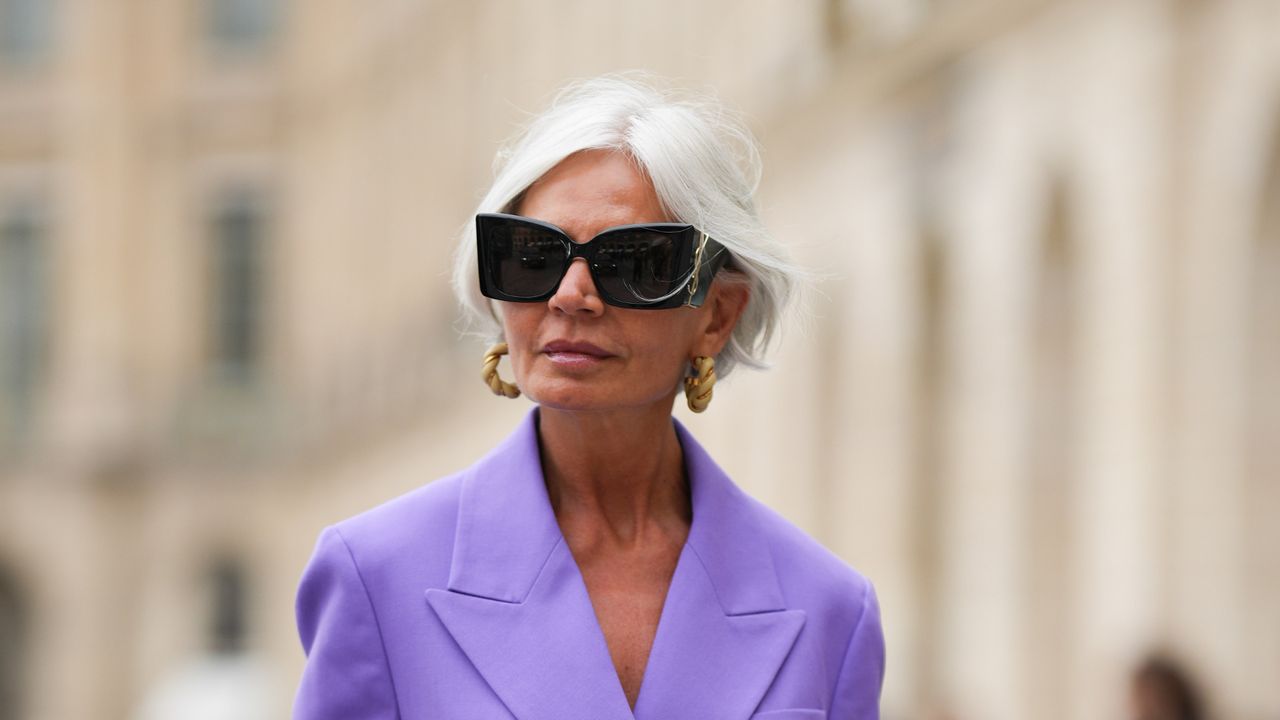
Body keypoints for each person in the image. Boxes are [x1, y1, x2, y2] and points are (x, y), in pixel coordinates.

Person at [292, 74, 885, 719]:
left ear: (717, 316)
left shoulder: (831, 612)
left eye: (634, 261)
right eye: (533, 255)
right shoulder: (375, 577)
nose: (570, 294)